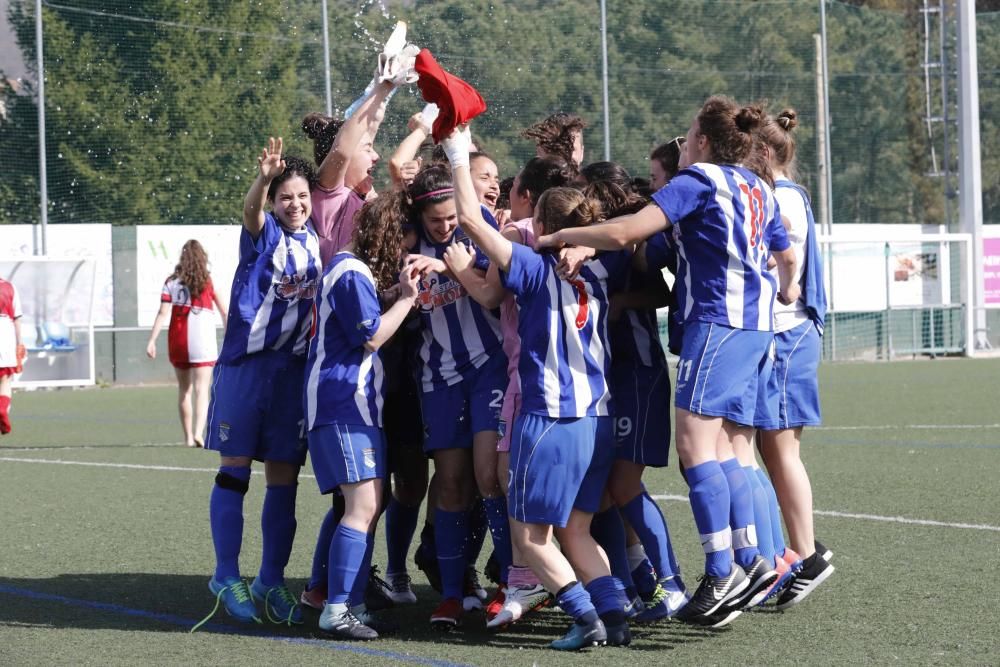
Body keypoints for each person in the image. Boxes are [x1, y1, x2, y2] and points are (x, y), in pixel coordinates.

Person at [537, 96, 801, 628]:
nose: (684, 143)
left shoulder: (700, 180)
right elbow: (787, 257)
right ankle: (748, 559)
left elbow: (623, 233)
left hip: (717, 326)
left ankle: (721, 569)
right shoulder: (758, 186)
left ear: (703, 141)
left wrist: (561, 236)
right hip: (757, 330)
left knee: (694, 446)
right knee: (727, 445)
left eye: (688, 132)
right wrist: (787, 289)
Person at [442, 126, 632, 650]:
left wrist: (458, 154)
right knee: (576, 530)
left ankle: (584, 617)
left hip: (549, 417)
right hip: (595, 419)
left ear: (544, 228)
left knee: (530, 536)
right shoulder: (594, 273)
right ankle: (615, 619)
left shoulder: (536, 268)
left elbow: (472, 224)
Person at [442, 155, 578, 628]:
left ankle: (529, 579)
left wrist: (457, 152)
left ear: (530, 201)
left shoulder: (520, 235)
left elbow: (490, 292)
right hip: (568, 390)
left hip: (532, 383)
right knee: (508, 482)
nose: (497, 186)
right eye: (487, 176)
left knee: (511, 483)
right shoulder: (581, 244)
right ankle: (543, 580)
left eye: (506, 181)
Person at [192, 138, 321, 631]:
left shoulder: (317, 241)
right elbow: (250, 210)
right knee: (235, 471)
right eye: (286, 196)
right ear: (273, 201)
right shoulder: (262, 233)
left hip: (291, 373)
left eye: (302, 196)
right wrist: (264, 178)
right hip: (247, 368)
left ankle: (271, 580)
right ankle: (226, 575)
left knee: (284, 479)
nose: (296, 204)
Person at [305, 194, 420, 639]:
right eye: (401, 243)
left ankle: (346, 602)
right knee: (363, 505)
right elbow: (371, 336)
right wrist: (406, 299)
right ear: (389, 234)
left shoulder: (354, 272)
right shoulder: (351, 271)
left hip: (352, 405)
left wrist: (391, 293)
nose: (400, 254)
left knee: (367, 503)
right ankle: (335, 607)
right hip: (342, 403)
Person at [402, 165, 510, 630]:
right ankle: (450, 594)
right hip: (439, 377)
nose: (445, 226)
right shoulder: (406, 242)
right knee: (450, 484)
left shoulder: (479, 224)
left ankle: (512, 583)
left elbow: (493, 292)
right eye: (436, 221)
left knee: (490, 476)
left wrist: (447, 263)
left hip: (490, 369)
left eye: (450, 218)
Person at [753, 108, 835, 609]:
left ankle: (806, 555)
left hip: (788, 335)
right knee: (772, 450)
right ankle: (796, 553)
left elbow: (779, 263)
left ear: (763, 153)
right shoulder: (789, 195)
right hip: (785, 335)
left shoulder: (781, 199)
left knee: (783, 453)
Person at [146, 240, 228, 448]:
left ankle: (188, 438)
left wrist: (152, 340)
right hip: (203, 340)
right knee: (202, 389)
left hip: (179, 339)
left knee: (184, 390)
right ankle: (199, 432)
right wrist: (230, 335)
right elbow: (224, 311)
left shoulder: (171, 282)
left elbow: (162, 313)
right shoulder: (207, 280)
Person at [0, 277, 25, 435]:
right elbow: (17, 318)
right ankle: (2, 409)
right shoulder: (9, 286)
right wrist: (20, 343)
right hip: (5, 331)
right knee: (5, 378)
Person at [521, 112, 587, 167]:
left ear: (581, 153)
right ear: (540, 151)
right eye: (555, 150)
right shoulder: (521, 182)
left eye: (570, 149)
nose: (563, 158)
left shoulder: (594, 182)